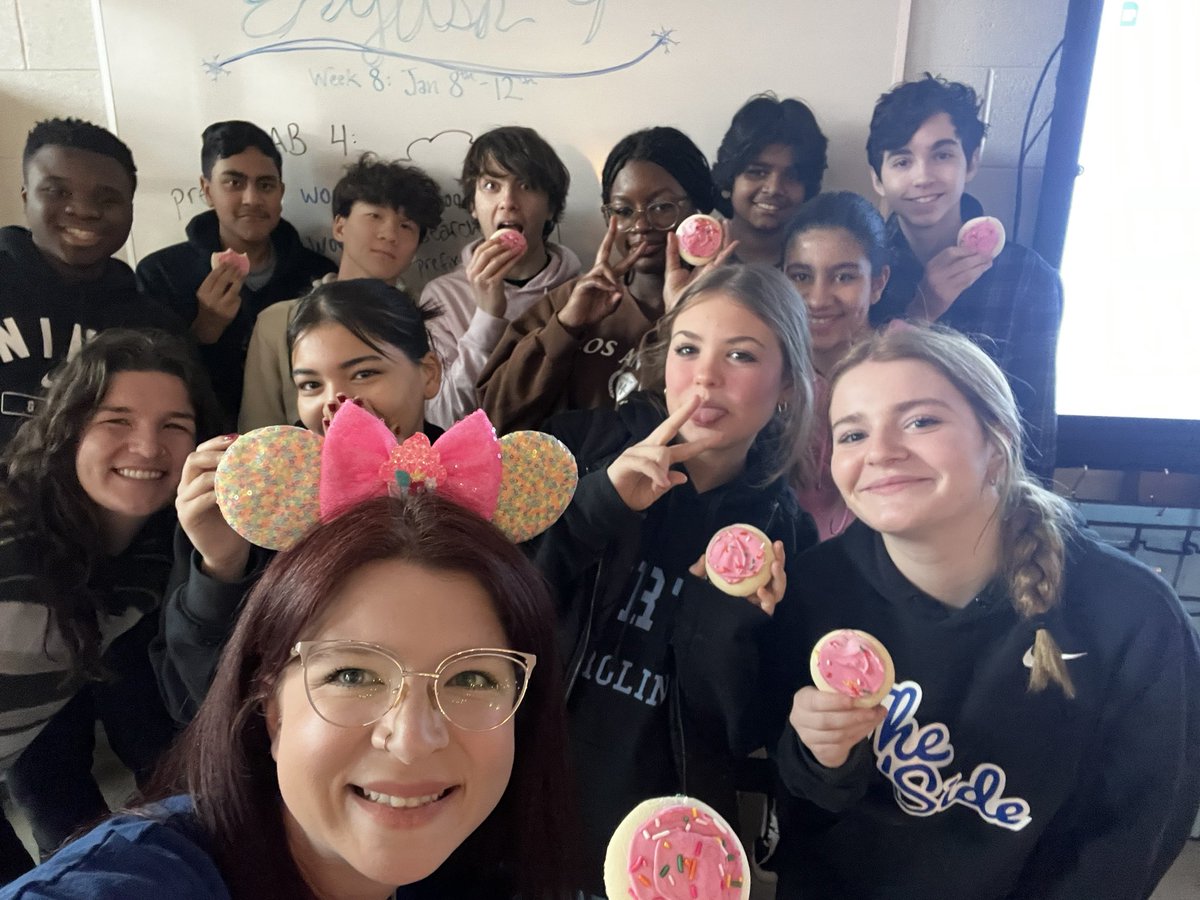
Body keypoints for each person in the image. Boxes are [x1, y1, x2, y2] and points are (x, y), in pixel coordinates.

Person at [769, 325, 1200, 899]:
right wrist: (818, 753)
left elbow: (1131, 834)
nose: (880, 452)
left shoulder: (1130, 616)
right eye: (852, 434)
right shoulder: (814, 591)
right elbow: (805, 808)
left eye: (921, 421)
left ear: (995, 444)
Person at [3, 494, 581, 899]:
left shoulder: (479, 870)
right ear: (268, 705)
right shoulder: (144, 878)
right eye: (354, 675)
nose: (411, 740)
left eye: (472, 679)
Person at [531, 264, 818, 893]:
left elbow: (746, 733)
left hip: (664, 853)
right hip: (517, 809)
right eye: (688, 349)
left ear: (788, 385)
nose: (706, 376)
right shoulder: (577, 446)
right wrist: (597, 506)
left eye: (741, 355)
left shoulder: (782, 535)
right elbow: (490, 614)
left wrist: (724, 622)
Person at [155, 279, 443, 723]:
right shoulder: (254, 499)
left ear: (428, 373)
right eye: (310, 384)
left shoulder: (478, 482)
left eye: (365, 373)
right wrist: (219, 569)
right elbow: (193, 703)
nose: (336, 401)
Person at [0, 329, 220, 880]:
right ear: (69, 427)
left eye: (174, 426)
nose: (147, 447)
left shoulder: (160, 550)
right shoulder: (11, 537)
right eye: (116, 420)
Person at [865, 74, 1062, 479]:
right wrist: (922, 309)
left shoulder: (1026, 277)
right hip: (880, 483)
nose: (922, 176)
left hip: (985, 494)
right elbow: (846, 388)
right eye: (902, 160)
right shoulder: (859, 268)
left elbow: (1034, 429)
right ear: (878, 179)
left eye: (942, 155)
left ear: (971, 161)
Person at [477, 127, 716, 433]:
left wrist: (679, 322)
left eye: (662, 208)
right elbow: (494, 417)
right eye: (623, 211)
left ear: (696, 210)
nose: (640, 225)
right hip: (577, 479)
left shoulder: (727, 308)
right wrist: (565, 328)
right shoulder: (571, 301)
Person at [0, 118, 183, 446]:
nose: (84, 210)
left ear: (130, 210)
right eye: (58, 191)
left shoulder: (150, 327)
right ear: (26, 198)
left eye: (108, 199)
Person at [136, 120, 336, 420]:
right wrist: (204, 330)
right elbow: (148, 386)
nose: (252, 199)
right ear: (207, 190)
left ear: (281, 192)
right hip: (200, 444)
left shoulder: (316, 274)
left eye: (265, 185)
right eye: (234, 182)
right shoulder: (161, 273)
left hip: (295, 447)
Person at [239, 153, 445, 431]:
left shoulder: (428, 321)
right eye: (374, 215)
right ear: (339, 226)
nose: (389, 234)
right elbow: (258, 434)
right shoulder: (278, 321)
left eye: (406, 226)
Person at [421, 126, 581, 431]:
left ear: (551, 208)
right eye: (491, 185)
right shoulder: (441, 296)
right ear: (472, 204)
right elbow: (442, 421)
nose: (508, 201)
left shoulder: (580, 292)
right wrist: (486, 316)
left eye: (527, 185)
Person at [783, 191, 890, 540]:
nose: (817, 299)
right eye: (800, 276)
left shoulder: (911, 367)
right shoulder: (763, 364)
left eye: (844, 277)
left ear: (877, 283)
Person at [712, 93, 829, 267]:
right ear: (731, 177)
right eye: (758, 172)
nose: (774, 188)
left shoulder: (820, 265)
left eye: (792, 176)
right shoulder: (694, 256)